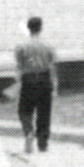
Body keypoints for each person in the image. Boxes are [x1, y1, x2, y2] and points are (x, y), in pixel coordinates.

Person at [16, 15, 57, 153]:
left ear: (28, 28)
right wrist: (54, 84)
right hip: (44, 79)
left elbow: (19, 66)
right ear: (41, 28)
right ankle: (43, 143)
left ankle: (28, 131)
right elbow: (52, 65)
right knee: (44, 113)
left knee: (24, 110)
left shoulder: (21, 45)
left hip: (28, 80)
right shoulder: (49, 44)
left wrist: (17, 83)